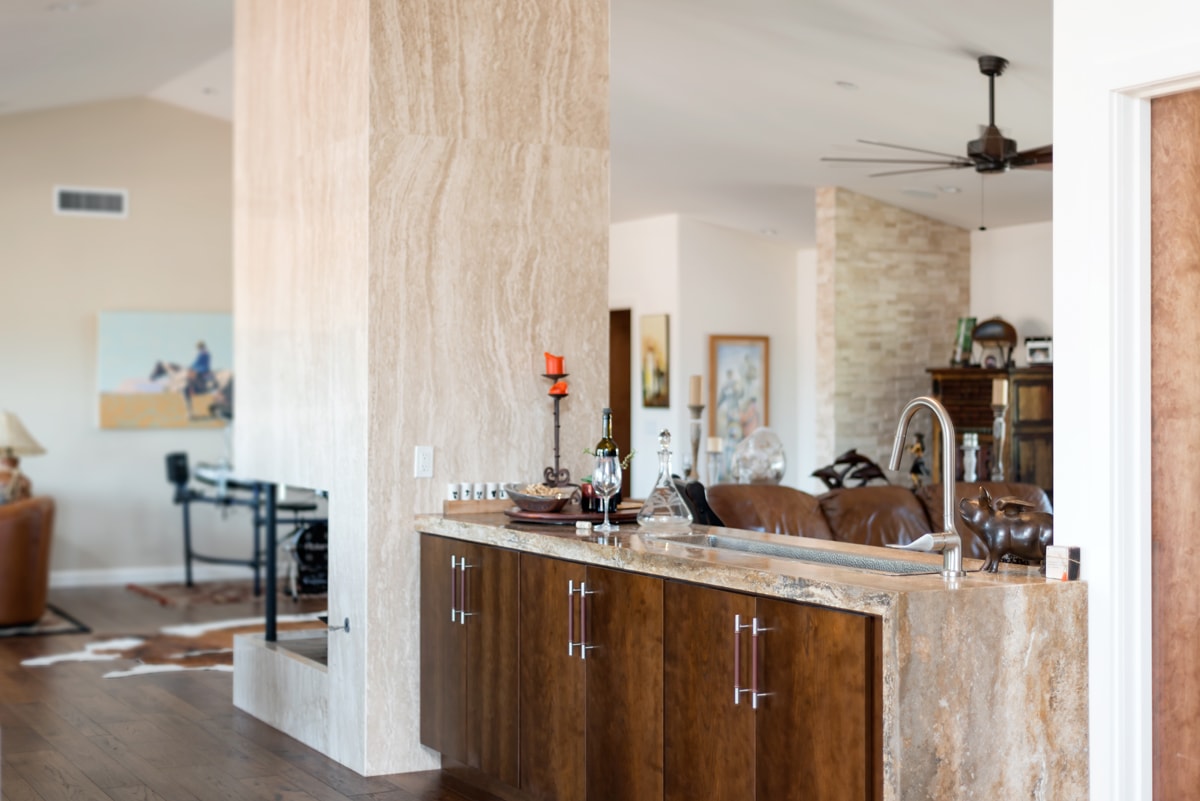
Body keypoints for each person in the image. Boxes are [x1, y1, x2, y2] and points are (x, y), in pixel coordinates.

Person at [184, 341, 214, 416]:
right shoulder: (204, 352)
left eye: (199, 346)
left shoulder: (203, 353)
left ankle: (192, 390)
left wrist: (192, 367)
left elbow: (198, 362)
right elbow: (196, 362)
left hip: (202, 369)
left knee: (191, 377)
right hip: (203, 369)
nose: (198, 348)